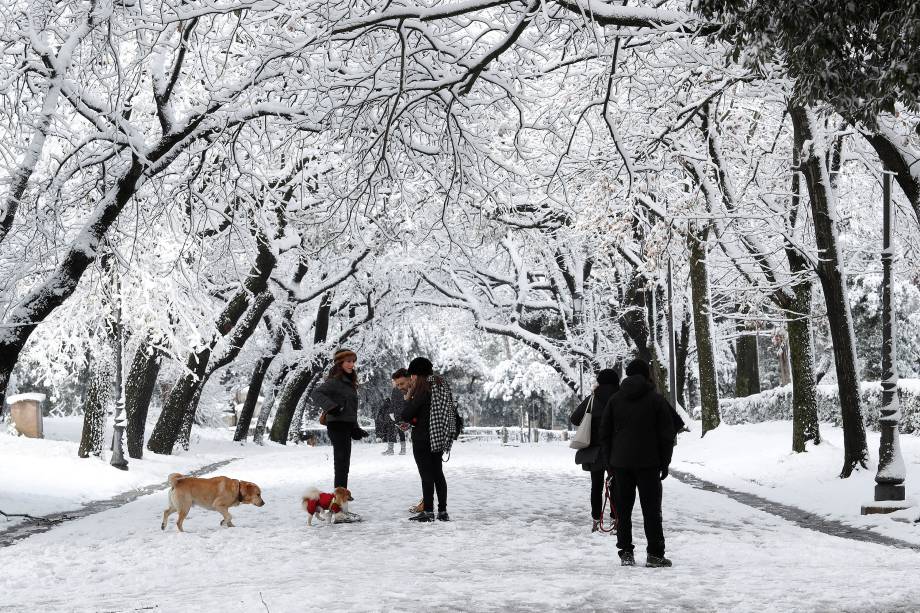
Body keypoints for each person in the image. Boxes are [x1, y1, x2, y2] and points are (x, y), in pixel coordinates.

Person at [600, 358, 676, 568]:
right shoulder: (656, 400)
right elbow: (667, 435)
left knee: (623, 511)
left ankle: (625, 552)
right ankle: (654, 554)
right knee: (652, 511)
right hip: (649, 464)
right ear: (646, 375)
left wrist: (609, 464)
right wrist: (664, 462)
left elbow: (604, 434)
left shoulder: (615, 400)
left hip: (621, 464)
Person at [401, 356, 453, 522]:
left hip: (423, 438)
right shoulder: (441, 385)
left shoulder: (423, 390)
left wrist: (408, 397)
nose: (412, 378)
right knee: (438, 473)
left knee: (426, 475)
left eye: (412, 375)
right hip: (438, 437)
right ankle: (443, 511)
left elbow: (406, 414)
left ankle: (428, 512)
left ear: (417, 375)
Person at [570, 368, 620, 533]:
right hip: (615, 450)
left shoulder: (592, 399)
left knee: (596, 486)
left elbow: (575, 418)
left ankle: (596, 521)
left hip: (595, 451)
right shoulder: (621, 397)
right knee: (616, 486)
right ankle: (615, 521)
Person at [311, 349, 360, 490]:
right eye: (348, 361)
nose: (352, 365)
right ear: (340, 363)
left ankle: (340, 503)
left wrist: (355, 427)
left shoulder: (349, 383)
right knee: (341, 465)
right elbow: (316, 393)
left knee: (344, 465)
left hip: (346, 426)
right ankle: (339, 506)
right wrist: (332, 407)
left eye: (353, 361)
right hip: (337, 425)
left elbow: (350, 408)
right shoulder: (335, 381)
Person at [379, 369, 409, 455]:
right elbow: (393, 402)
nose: (393, 382)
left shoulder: (398, 389)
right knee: (395, 431)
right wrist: (391, 412)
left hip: (398, 414)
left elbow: (399, 402)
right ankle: (394, 450)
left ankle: (398, 450)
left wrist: (393, 412)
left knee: (397, 431)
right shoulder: (396, 389)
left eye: (393, 381)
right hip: (396, 414)